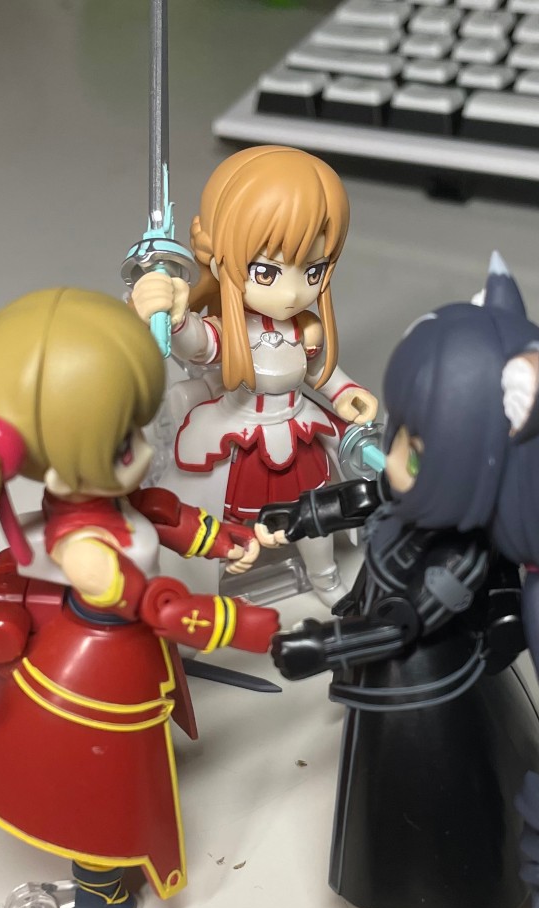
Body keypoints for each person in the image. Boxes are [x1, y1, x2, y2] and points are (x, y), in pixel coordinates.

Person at [256, 257, 539, 908]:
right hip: (389, 668)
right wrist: (304, 514)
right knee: (382, 785)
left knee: (418, 799)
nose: (393, 455)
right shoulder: (414, 495)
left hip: (426, 691)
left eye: (416, 450)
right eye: (400, 432)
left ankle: (443, 885)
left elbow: (403, 625)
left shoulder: (462, 561)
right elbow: (370, 493)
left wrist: (326, 644)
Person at [0, 287, 278, 908]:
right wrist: (242, 625)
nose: (145, 451)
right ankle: (100, 889)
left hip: (122, 654)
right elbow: (154, 604)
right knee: (101, 783)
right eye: (125, 444)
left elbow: (158, 514)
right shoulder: (85, 549)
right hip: (98, 666)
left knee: (126, 761)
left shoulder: (98, 500)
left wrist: (221, 537)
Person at [130, 145, 377, 606]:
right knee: (219, 513)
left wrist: (346, 392)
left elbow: (320, 371)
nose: (292, 292)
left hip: (298, 432)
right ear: (220, 257)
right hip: (239, 434)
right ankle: (209, 584)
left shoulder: (304, 329)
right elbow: (198, 344)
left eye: (313, 271)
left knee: (313, 514)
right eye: (266, 271)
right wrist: (176, 316)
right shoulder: (231, 330)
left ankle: (324, 577)